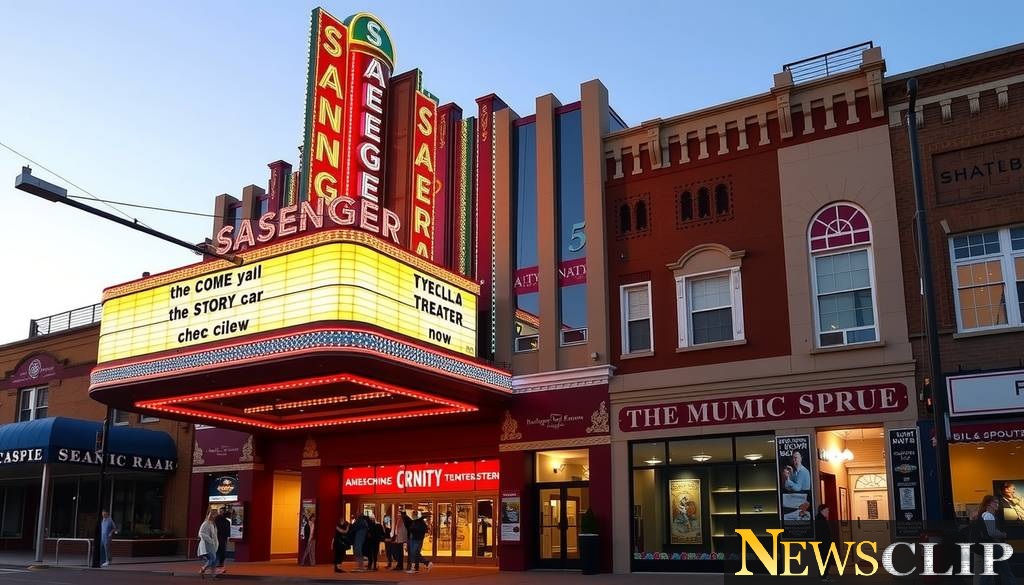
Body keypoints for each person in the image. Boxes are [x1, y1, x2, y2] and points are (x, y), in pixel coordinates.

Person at [972, 495, 1018, 585]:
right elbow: (991, 532)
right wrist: (1002, 534)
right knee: (1005, 571)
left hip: (987, 547)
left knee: (988, 572)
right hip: (993, 546)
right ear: (988, 504)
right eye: (995, 502)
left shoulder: (985, 515)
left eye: (997, 502)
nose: (997, 504)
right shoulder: (988, 515)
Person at [198, 509, 220, 579]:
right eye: (214, 514)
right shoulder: (206, 523)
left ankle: (213, 575)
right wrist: (210, 540)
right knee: (213, 559)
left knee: (213, 560)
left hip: (212, 544)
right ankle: (203, 569)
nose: (215, 516)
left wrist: (215, 542)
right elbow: (200, 533)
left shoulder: (213, 524)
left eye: (216, 514)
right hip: (207, 544)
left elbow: (215, 535)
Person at [814, 505, 833, 582]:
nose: (828, 512)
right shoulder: (820, 520)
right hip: (824, 543)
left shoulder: (820, 519)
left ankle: (824, 575)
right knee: (825, 559)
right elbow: (822, 533)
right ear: (822, 511)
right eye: (827, 510)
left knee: (825, 559)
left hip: (824, 543)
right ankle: (823, 576)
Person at [214, 507, 231, 573]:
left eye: (222, 511)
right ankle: (219, 564)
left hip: (220, 537)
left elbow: (227, 530)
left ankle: (219, 564)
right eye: (220, 511)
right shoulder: (225, 521)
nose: (221, 512)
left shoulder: (218, 520)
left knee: (220, 550)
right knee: (221, 550)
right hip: (220, 537)